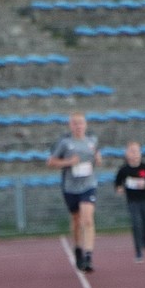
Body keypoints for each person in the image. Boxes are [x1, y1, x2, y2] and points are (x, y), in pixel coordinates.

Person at [47, 111, 101, 272]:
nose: (78, 126)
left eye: (81, 123)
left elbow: (97, 159)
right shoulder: (65, 143)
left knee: (88, 219)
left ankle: (89, 256)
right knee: (76, 220)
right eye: (75, 123)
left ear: (85, 125)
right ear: (70, 125)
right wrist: (69, 162)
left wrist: (98, 159)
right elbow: (51, 162)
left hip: (89, 184)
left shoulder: (92, 141)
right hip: (70, 186)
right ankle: (78, 249)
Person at [114, 140, 145, 261]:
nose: (134, 154)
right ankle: (138, 251)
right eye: (131, 151)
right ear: (126, 153)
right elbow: (118, 182)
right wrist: (119, 188)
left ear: (140, 153)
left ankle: (144, 239)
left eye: (136, 151)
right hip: (132, 201)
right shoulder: (124, 170)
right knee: (136, 224)